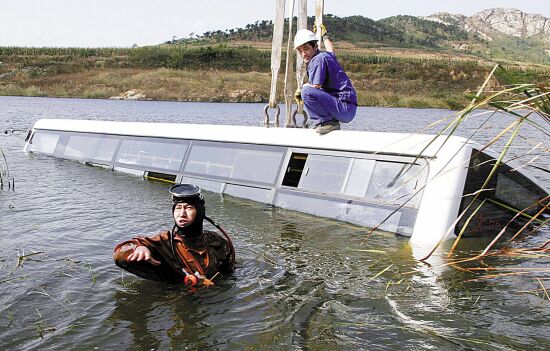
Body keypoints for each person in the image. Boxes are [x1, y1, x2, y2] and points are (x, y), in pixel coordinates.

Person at [113, 184, 235, 287]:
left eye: (188, 208)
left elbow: (231, 271)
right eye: (178, 208)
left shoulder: (216, 241)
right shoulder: (165, 241)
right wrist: (138, 248)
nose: (182, 214)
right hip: (176, 299)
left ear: (199, 212)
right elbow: (119, 256)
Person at [294, 25, 358, 134]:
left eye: (306, 48)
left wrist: (302, 89)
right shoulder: (325, 56)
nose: (303, 54)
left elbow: (316, 86)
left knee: (306, 91)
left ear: (315, 47)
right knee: (306, 90)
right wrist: (325, 35)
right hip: (348, 108)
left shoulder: (318, 60)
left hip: (343, 108)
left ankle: (328, 122)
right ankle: (324, 121)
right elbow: (330, 49)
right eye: (300, 51)